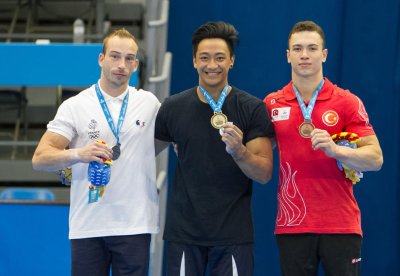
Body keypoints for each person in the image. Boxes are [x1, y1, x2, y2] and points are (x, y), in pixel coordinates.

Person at [32, 28, 161, 276]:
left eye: (129, 58)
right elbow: (40, 158)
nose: (121, 64)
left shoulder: (149, 104)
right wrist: (78, 154)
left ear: (135, 65)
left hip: (134, 224)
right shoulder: (75, 105)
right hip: (89, 224)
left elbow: (168, 141)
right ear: (101, 59)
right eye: (115, 56)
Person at [263, 21, 384, 276]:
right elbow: (257, 156)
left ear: (324, 54)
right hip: (292, 224)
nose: (304, 55)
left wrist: (337, 151)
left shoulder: (347, 102)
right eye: (297, 49)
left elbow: (375, 159)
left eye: (312, 48)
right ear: (288, 56)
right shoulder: (271, 103)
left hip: (340, 224)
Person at [155, 21, 274, 275]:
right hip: (184, 233)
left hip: (233, 234)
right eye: (204, 58)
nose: (212, 65)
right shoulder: (172, 108)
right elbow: (143, 153)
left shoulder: (252, 108)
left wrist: (239, 152)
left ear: (231, 60)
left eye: (220, 57)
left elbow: (264, 173)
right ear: (194, 61)